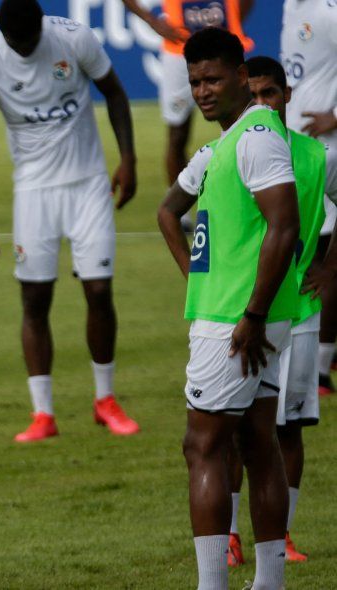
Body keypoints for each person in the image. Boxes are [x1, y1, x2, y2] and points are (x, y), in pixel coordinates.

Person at [157, 28, 300, 590]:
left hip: (239, 322)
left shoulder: (256, 135)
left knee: (204, 444)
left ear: (242, 77)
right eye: (194, 81)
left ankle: (212, 584)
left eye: (213, 78)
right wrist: (197, 278)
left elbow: (283, 226)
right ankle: (269, 582)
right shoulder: (222, 145)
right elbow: (169, 211)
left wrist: (253, 314)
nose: (202, 90)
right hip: (243, 314)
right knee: (256, 442)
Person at [0, 0, 138, 440]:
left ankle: (106, 400)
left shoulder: (73, 38)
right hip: (34, 193)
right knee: (35, 300)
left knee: (98, 290)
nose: (23, 49)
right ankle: (43, 414)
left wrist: (129, 159)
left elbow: (115, 92)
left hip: (88, 184)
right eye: (14, 42)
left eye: (30, 40)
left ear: (42, 28)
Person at [216, 56, 337, 566]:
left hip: (302, 310)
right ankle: (229, 535)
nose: (264, 102)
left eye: (272, 93)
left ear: (288, 95)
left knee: (287, 426)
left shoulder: (317, 156)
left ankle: (281, 536)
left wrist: (330, 270)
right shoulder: (235, 149)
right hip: (245, 312)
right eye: (256, 94)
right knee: (234, 423)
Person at [123, 0, 254, 227]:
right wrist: (153, 22)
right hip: (179, 50)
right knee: (178, 133)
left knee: (245, 123)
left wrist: (232, 24)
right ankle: (181, 212)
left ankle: (251, 195)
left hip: (226, 49)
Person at [280, 0, 337, 395]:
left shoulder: (327, 12)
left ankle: (319, 368)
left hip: (329, 149)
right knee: (309, 254)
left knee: (322, 258)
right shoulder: (291, 6)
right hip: (299, 148)